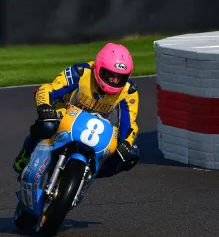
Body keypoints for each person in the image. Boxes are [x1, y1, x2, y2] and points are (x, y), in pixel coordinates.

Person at [13, 43, 140, 179]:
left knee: (130, 155)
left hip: (99, 127)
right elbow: (47, 89)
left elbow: (129, 124)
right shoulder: (81, 72)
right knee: (47, 125)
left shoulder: (129, 91)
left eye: (120, 77)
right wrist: (45, 107)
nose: (114, 81)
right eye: (110, 75)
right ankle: (26, 154)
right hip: (66, 112)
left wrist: (126, 143)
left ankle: (86, 175)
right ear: (99, 68)